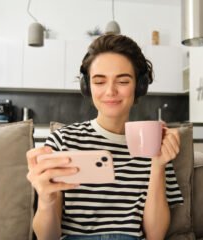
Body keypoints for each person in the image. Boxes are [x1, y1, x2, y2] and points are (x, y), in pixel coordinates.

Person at [26, 34, 184, 240]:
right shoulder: (62, 141)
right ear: (87, 86)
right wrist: (46, 200)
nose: (110, 91)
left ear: (139, 86)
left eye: (123, 81)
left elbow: (155, 236)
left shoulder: (154, 144)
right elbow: (48, 238)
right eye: (99, 81)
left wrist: (158, 165)